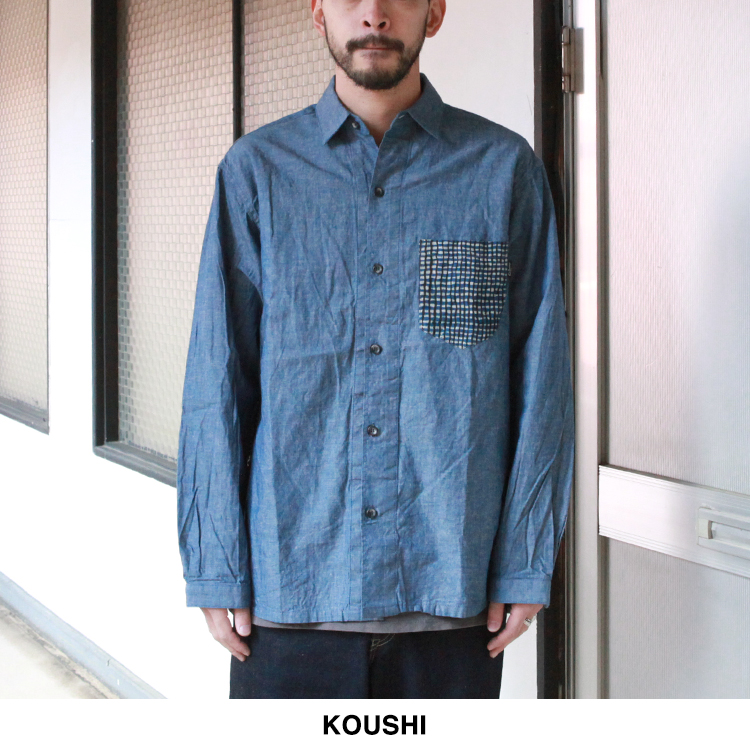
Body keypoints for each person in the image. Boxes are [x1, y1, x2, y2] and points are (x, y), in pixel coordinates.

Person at [177, 0, 574, 699]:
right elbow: (217, 379)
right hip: (290, 599)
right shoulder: (256, 172)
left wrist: (526, 559)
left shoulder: (501, 170)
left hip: (451, 597)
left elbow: (540, 378)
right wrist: (215, 563)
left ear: (434, 12)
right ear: (318, 13)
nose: (374, 14)